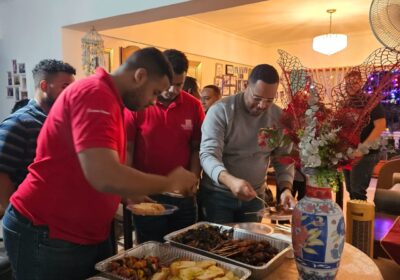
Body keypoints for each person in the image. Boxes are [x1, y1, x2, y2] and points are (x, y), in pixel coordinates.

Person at [2, 47, 198, 280]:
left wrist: (128, 194)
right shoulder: (95, 93)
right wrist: (169, 182)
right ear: (140, 76)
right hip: (48, 231)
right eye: (155, 92)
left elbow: (95, 165)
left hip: (82, 231)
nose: (154, 102)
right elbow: (104, 174)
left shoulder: (111, 100)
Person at [199, 64, 295, 224]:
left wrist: (286, 189)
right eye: (257, 98)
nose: (262, 105)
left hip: (255, 197)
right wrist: (230, 181)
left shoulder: (279, 117)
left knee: (252, 245)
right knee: (218, 246)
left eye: (269, 100)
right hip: (218, 196)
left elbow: (283, 159)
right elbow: (207, 155)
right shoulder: (221, 110)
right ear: (245, 86)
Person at [125, 49, 205, 243]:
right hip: (147, 192)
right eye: (169, 84)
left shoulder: (194, 106)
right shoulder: (138, 104)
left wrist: (193, 178)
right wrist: (131, 189)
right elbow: (128, 149)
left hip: (182, 194)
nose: (173, 90)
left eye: (179, 84)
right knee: (150, 247)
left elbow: (196, 148)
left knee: (185, 247)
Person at [0, 59, 76, 214]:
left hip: (57, 215)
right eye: (65, 87)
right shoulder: (19, 123)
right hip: (30, 220)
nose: (71, 93)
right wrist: (14, 216)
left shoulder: (62, 122)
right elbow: (2, 175)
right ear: (44, 86)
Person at [343, 70, 386, 200]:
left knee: (357, 191)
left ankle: (361, 221)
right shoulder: (346, 103)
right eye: (348, 83)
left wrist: (362, 149)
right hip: (349, 153)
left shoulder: (371, 101)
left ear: (361, 83)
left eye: (355, 83)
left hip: (366, 153)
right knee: (351, 189)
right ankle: (353, 220)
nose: (351, 86)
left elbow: (381, 126)